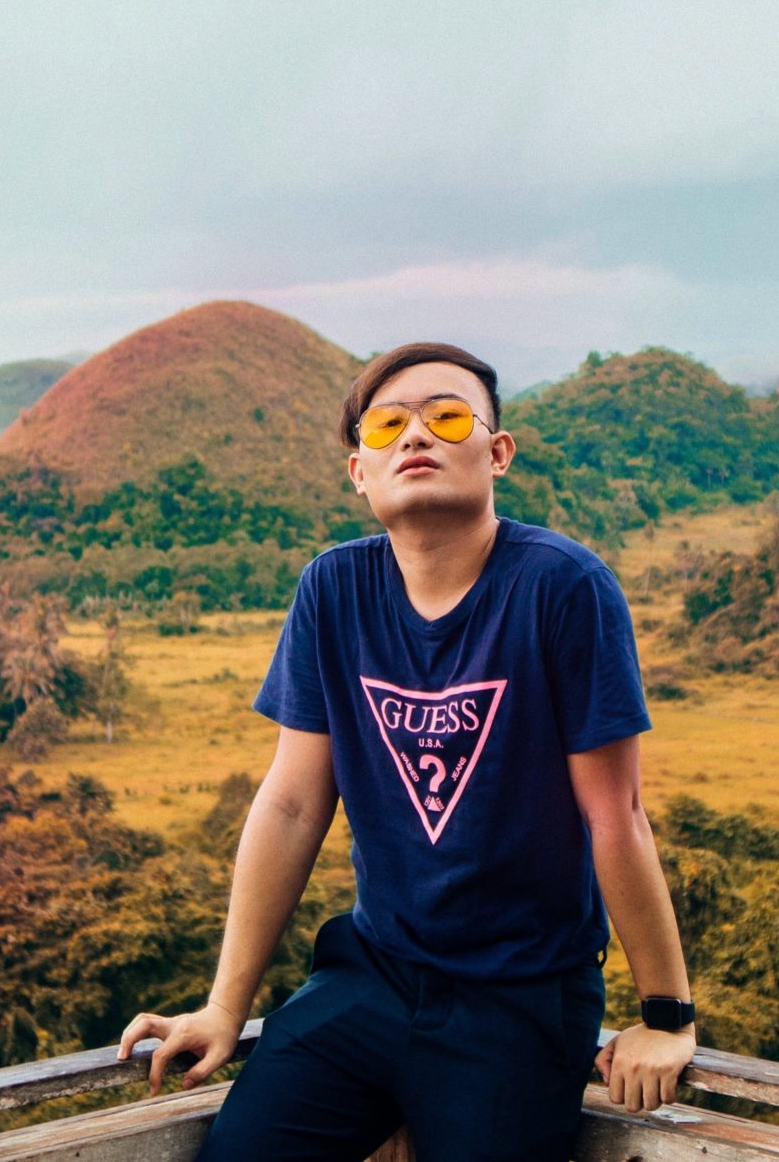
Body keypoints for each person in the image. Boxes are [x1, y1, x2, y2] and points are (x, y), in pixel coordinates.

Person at [117, 342, 696, 1161]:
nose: (415, 435)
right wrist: (222, 1005)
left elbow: (617, 814)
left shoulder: (562, 588)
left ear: (497, 453)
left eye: (447, 416)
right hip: (371, 977)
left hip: (517, 998)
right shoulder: (333, 590)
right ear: (360, 469)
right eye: (388, 424)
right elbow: (290, 802)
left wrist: (666, 1015)